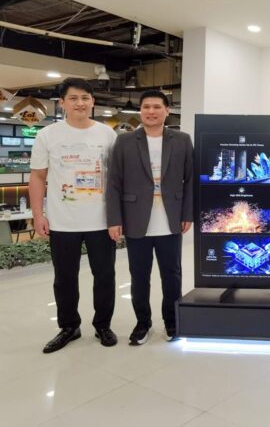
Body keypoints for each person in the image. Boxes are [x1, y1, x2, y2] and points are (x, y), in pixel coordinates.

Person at [29, 77, 118, 353]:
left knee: (105, 275)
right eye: (74, 98)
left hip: (101, 220)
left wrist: (118, 217)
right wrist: (38, 214)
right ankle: (69, 327)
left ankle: (103, 325)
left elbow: (117, 179)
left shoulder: (107, 134)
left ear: (93, 101)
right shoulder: (48, 135)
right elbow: (38, 177)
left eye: (85, 98)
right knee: (65, 277)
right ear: (62, 103)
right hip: (62, 221)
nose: (80, 103)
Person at [106, 90, 193, 345]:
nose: (151, 111)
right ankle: (142, 323)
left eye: (156, 107)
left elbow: (190, 180)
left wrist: (187, 213)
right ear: (140, 111)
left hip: (170, 218)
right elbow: (114, 183)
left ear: (167, 110)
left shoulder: (182, 140)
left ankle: (172, 322)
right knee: (139, 276)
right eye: (146, 107)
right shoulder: (124, 141)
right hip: (136, 218)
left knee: (172, 275)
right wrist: (114, 219)